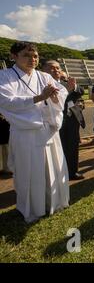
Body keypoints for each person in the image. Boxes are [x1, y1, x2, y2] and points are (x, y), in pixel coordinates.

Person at [0, 42, 69, 223]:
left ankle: (52, 203)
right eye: (27, 55)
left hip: (48, 129)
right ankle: (31, 209)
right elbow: (7, 101)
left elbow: (61, 92)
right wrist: (39, 97)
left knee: (52, 168)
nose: (33, 59)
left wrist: (55, 96)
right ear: (13, 56)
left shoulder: (44, 75)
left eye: (36, 56)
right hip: (26, 133)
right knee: (29, 172)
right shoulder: (5, 76)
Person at [43, 60, 85, 181]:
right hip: (54, 122)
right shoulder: (43, 85)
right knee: (58, 148)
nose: (56, 70)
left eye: (58, 68)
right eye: (51, 68)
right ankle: (57, 175)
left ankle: (72, 172)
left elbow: (80, 91)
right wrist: (66, 89)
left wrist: (73, 86)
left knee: (72, 146)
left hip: (71, 119)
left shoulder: (65, 82)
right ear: (43, 70)